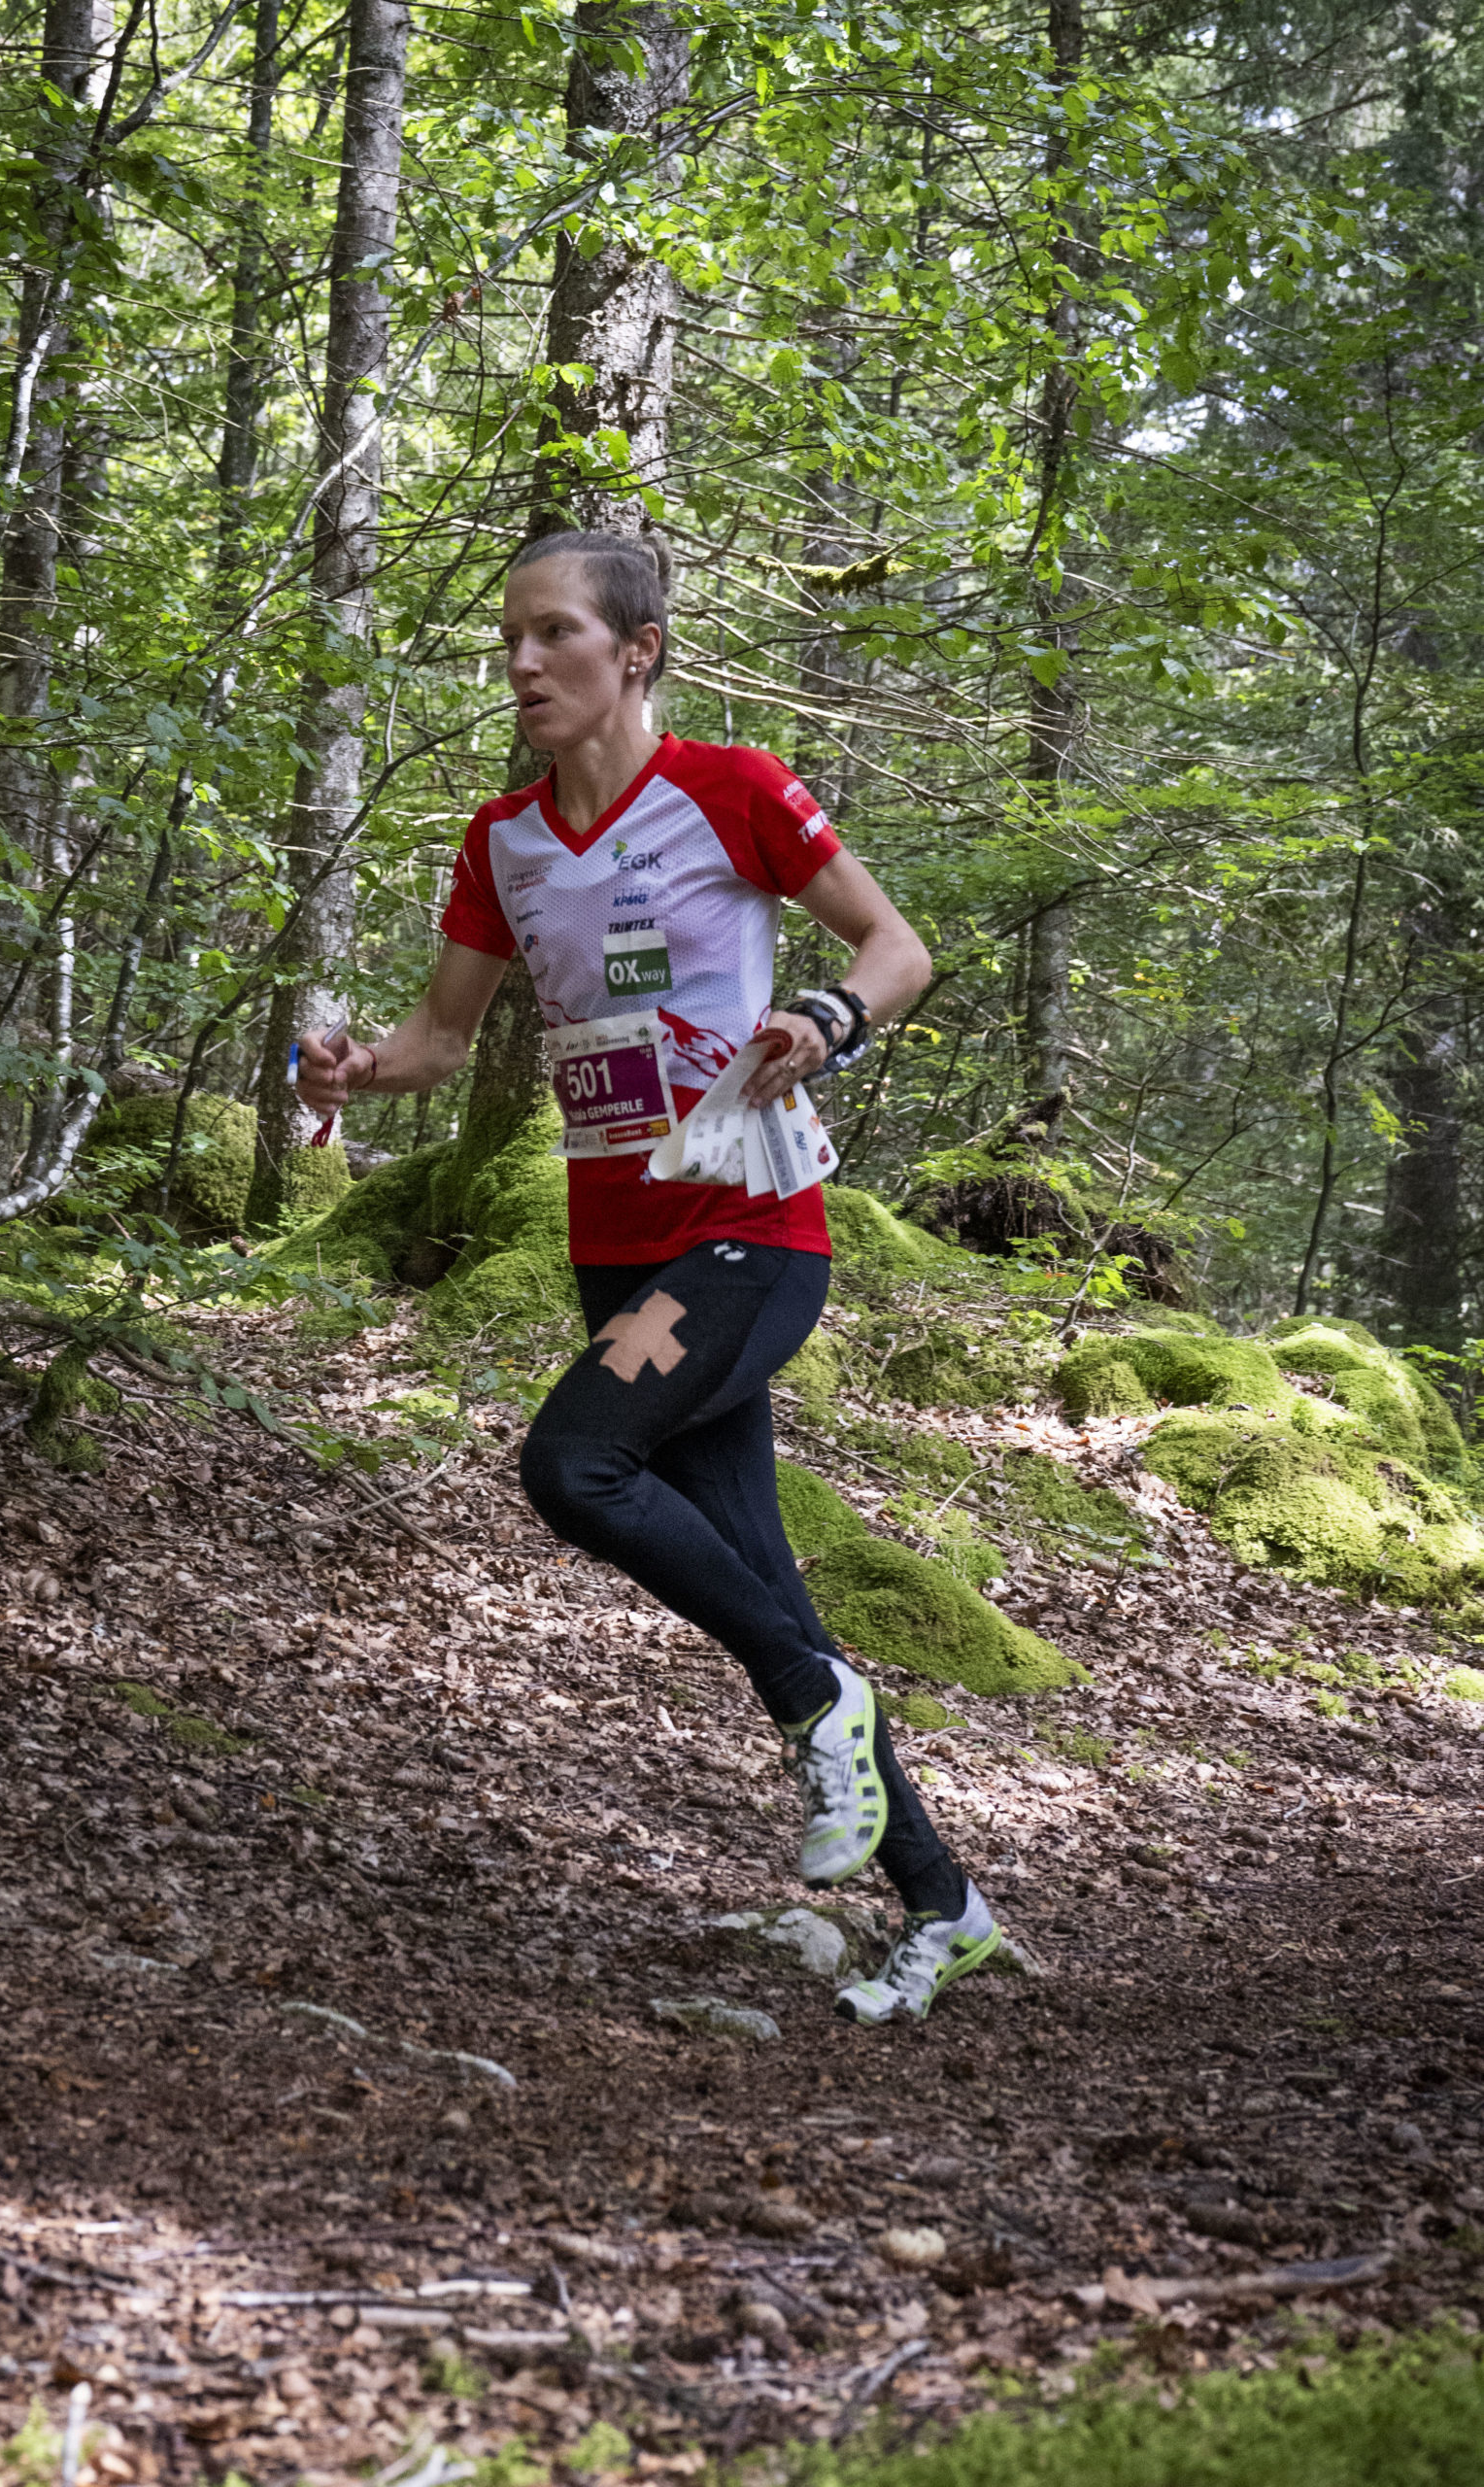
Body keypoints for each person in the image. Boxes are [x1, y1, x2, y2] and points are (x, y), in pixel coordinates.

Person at [295, 529, 998, 2025]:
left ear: (638, 650)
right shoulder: (504, 841)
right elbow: (437, 1039)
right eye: (510, 638)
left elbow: (896, 947)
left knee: (572, 1464)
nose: (523, 662)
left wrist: (824, 1019)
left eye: (554, 633)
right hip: (612, 1251)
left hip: (748, 1233)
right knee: (766, 1587)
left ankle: (821, 1702)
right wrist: (356, 1072)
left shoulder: (732, 790)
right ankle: (946, 1903)